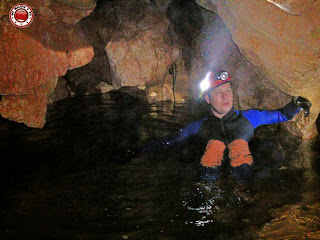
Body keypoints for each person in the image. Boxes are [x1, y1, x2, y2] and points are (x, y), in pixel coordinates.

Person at [115, 70, 311, 184]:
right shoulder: (199, 127)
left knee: (241, 147)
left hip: (243, 173)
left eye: (228, 91)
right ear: (208, 99)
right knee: (213, 149)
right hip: (211, 175)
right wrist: (136, 151)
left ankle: (245, 191)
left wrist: (297, 104)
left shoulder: (250, 118)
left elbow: (281, 114)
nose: (226, 97)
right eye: (219, 93)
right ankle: (207, 193)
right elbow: (168, 141)